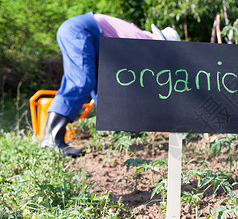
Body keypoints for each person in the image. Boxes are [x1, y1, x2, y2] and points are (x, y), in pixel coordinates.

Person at [41, 11, 181, 158]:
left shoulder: (142, 42)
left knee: (104, 89)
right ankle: (51, 140)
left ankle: (118, 136)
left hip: (89, 38)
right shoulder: (140, 40)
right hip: (79, 31)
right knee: (81, 82)